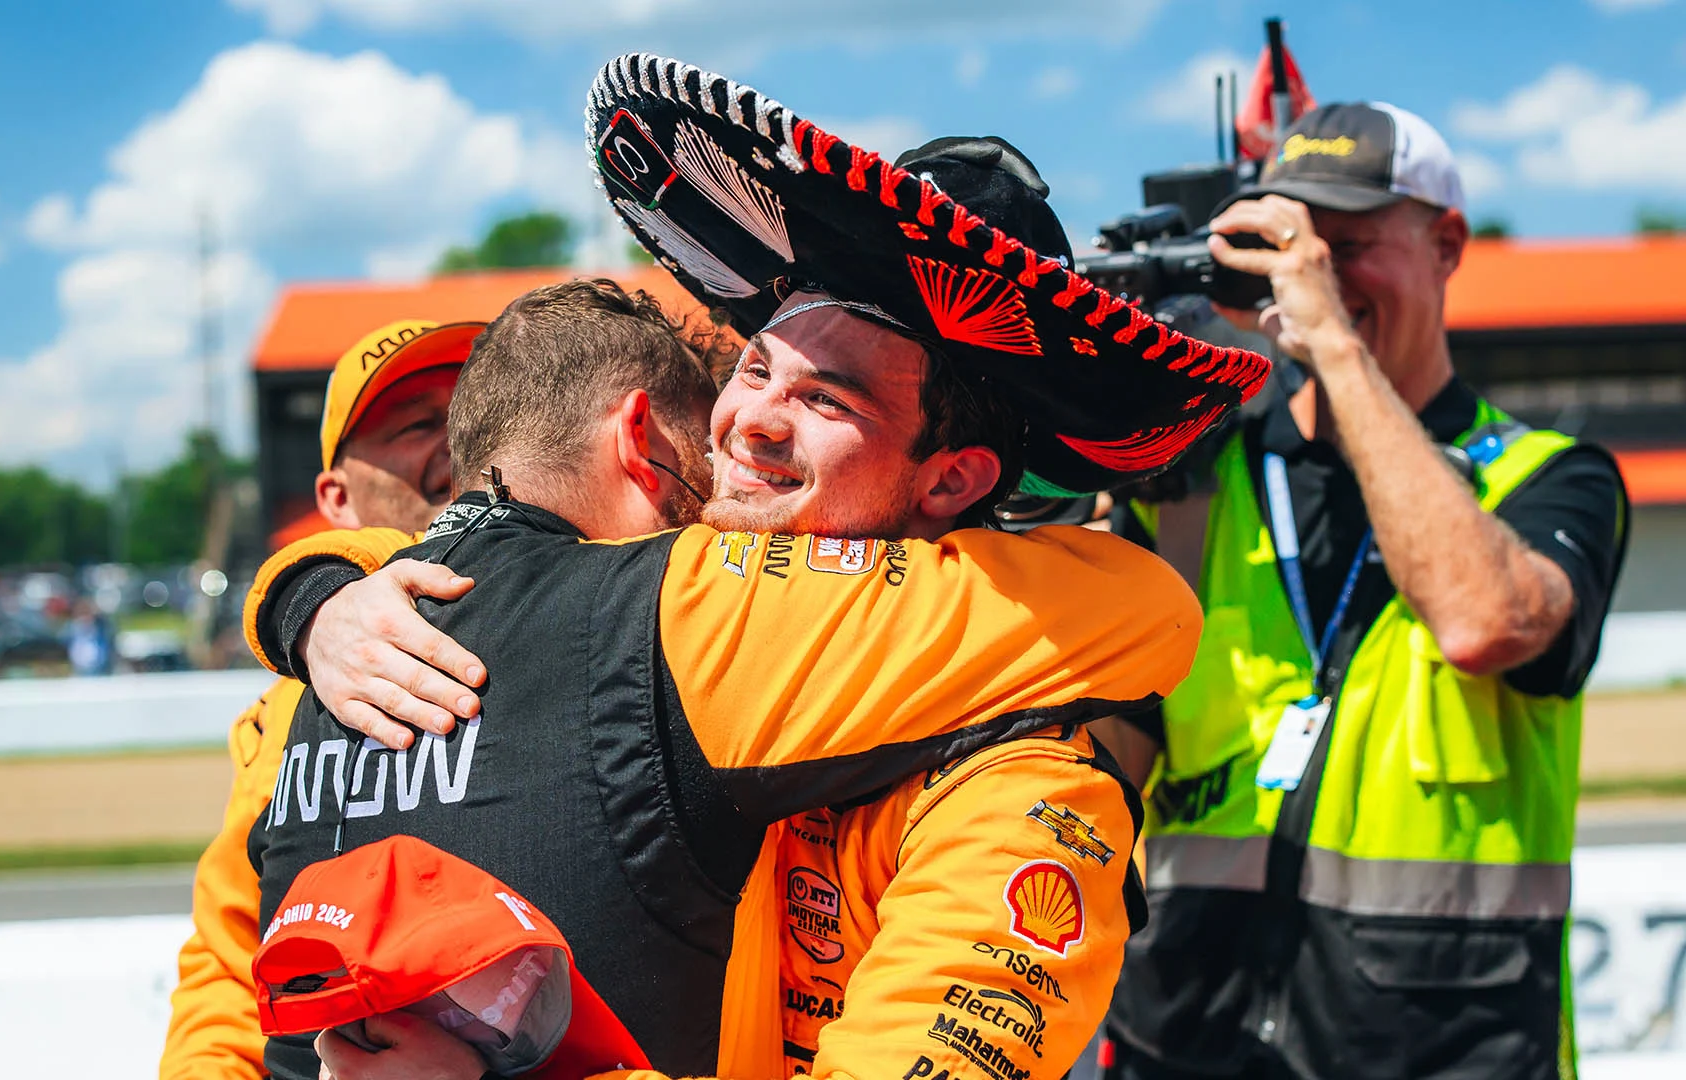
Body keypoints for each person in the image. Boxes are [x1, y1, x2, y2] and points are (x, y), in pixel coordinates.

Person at [240, 57, 1267, 1080]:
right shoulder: (630, 602)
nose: (750, 422)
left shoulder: (1027, 780)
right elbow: (488, 555)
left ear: (953, 480)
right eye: (756, 367)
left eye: (829, 401)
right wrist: (317, 595)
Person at [1095, 103, 1629, 1080]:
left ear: (1448, 245)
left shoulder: (1552, 477)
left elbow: (1486, 622)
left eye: (1348, 245)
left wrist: (1331, 342)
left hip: (1446, 1053)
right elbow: (1104, 746)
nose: (1313, 275)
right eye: (1291, 249)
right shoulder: (1202, 478)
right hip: (1181, 1042)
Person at [160, 318, 486, 1080]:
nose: (459, 437)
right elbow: (232, 963)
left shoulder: (597, 596)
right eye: (415, 424)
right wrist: (312, 598)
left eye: (475, 408)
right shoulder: (283, 711)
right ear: (336, 497)